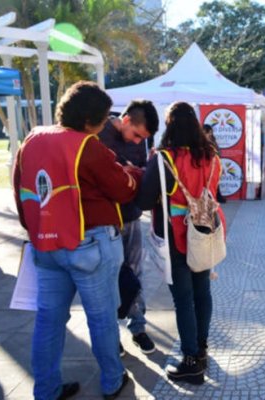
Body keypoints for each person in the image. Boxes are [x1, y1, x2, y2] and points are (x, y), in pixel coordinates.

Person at [13, 81, 141, 399]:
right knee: (101, 317)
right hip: (90, 245)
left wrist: (34, 229)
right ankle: (112, 380)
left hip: (46, 243)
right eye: (100, 121)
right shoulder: (87, 145)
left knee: (49, 319)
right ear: (88, 121)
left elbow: (20, 188)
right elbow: (121, 188)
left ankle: (46, 389)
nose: (101, 128)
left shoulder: (32, 139)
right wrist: (134, 174)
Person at [136, 101, 224, 385]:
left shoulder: (163, 159)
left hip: (176, 236)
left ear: (170, 123)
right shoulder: (212, 156)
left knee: (184, 299)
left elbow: (144, 200)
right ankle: (201, 350)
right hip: (206, 231)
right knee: (203, 293)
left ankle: (191, 362)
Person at [98, 100, 159, 357]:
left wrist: (143, 171)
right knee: (107, 279)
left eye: (142, 138)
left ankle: (138, 328)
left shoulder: (140, 140)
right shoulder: (98, 134)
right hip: (104, 221)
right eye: (136, 135)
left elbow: (139, 172)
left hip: (131, 216)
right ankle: (112, 334)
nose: (137, 142)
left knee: (135, 275)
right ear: (125, 120)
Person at [203, 124, 226, 203]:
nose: (209, 134)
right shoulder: (201, 141)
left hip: (214, 164)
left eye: (210, 132)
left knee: (215, 181)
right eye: (207, 132)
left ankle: (216, 196)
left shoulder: (213, 141)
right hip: (206, 165)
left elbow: (218, 153)